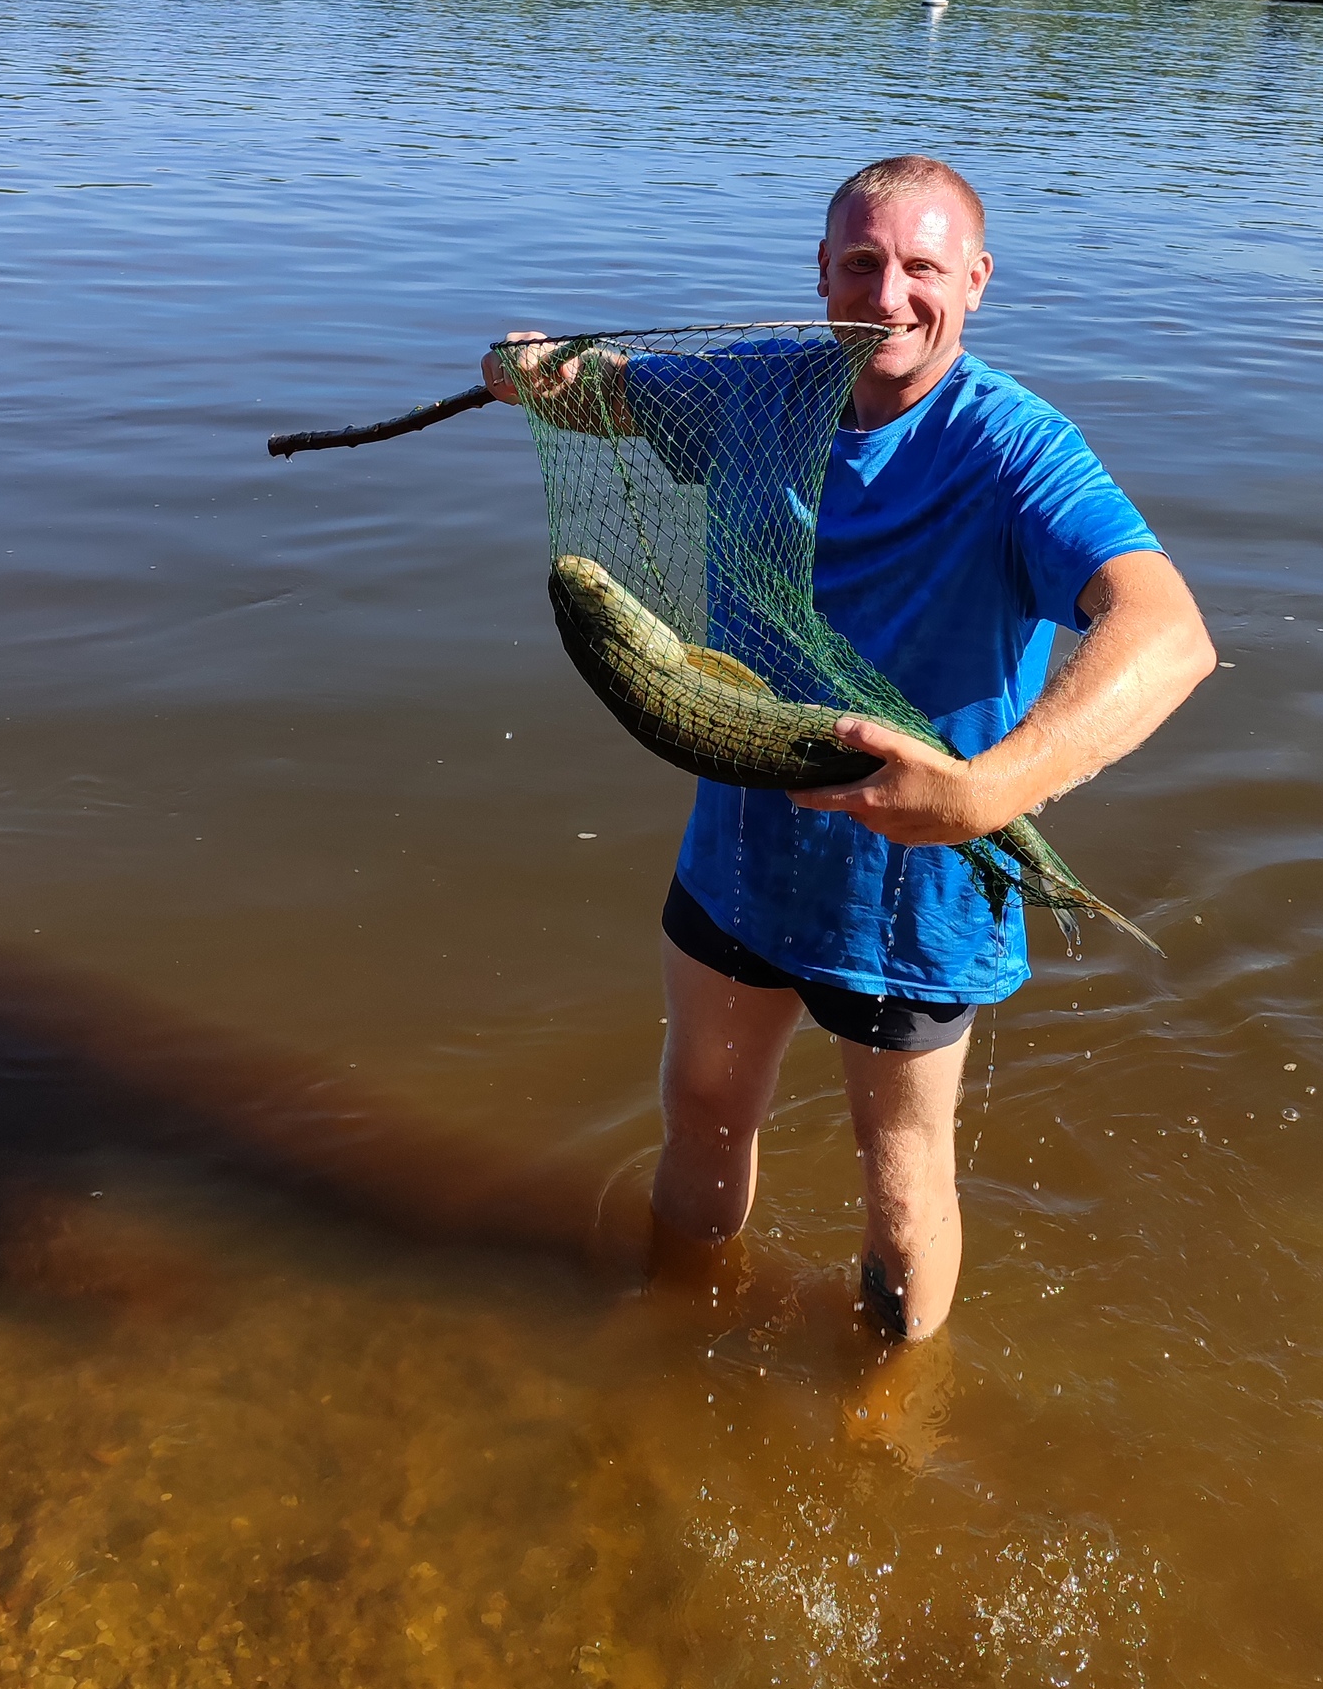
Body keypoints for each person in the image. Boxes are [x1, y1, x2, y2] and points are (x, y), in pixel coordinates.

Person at [484, 155, 1214, 1341]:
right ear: (817, 273)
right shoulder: (756, 389)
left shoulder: (1015, 448)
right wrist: (523, 371)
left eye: (921, 267)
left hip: (917, 885)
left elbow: (1168, 631)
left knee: (902, 1174)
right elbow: (599, 393)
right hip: (736, 856)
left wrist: (988, 793)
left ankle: (885, 1425)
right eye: (861, 263)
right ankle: (666, 1346)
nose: (888, 295)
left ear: (974, 280)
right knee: (703, 1111)